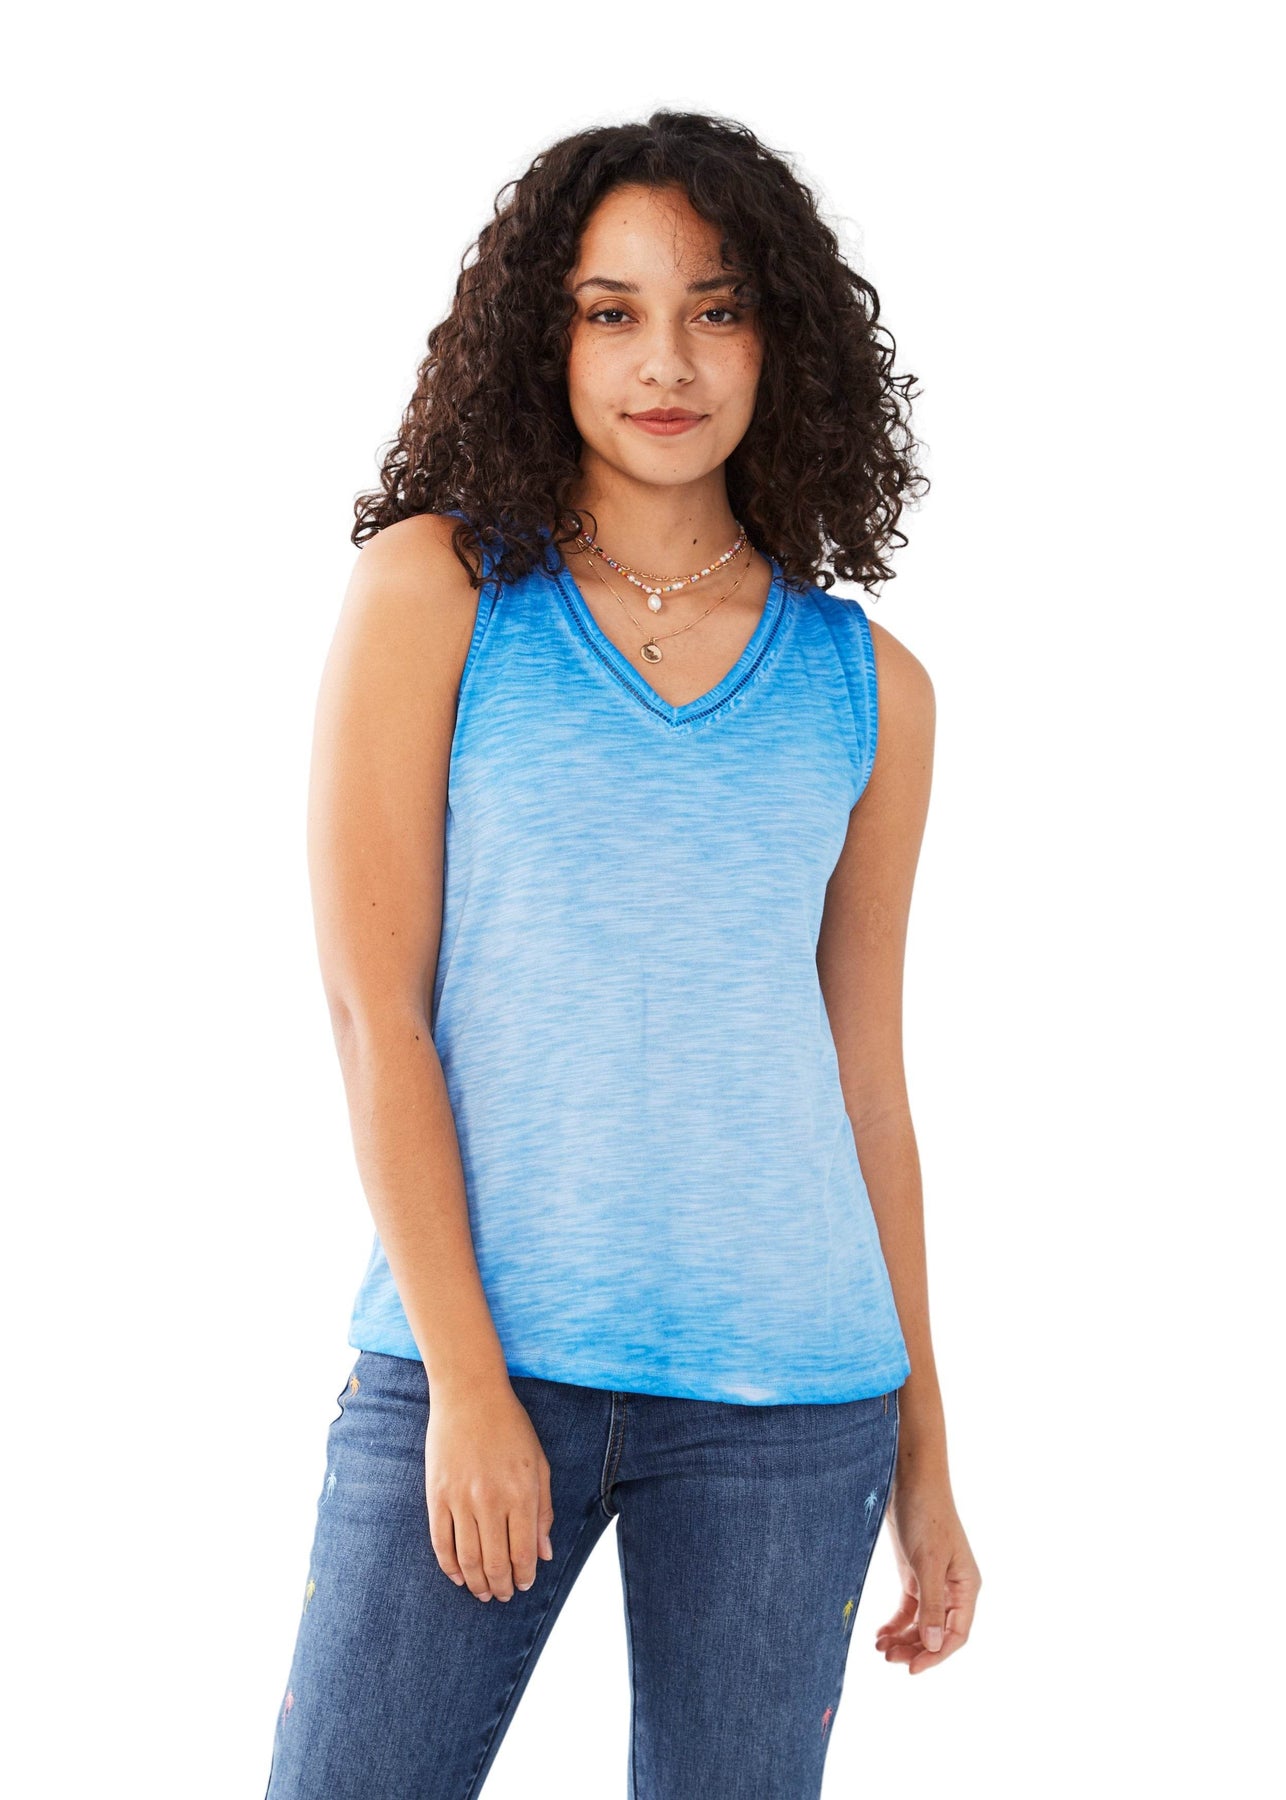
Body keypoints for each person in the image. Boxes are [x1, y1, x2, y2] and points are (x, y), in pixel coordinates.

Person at [262, 109, 981, 1800]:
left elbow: (864, 1085)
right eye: (613, 312)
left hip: (791, 1401)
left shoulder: (869, 688)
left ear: (780, 345)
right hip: (474, 1362)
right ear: (549, 337)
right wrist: (463, 1383)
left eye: (716, 310)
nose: (666, 362)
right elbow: (377, 1015)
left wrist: (928, 1460)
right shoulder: (439, 593)